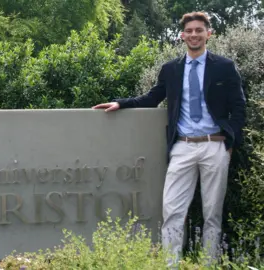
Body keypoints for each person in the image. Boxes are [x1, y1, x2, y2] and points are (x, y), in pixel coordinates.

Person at [92, 11, 246, 267]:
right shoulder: (171, 69)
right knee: (172, 210)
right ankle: (170, 265)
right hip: (182, 147)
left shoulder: (225, 67)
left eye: (199, 30)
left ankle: (208, 264)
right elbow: (151, 98)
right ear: (182, 35)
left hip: (215, 145)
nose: (194, 35)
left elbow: (239, 108)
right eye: (189, 31)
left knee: (212, 214)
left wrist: (230, 143)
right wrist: (121, 102)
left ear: (209, 33)